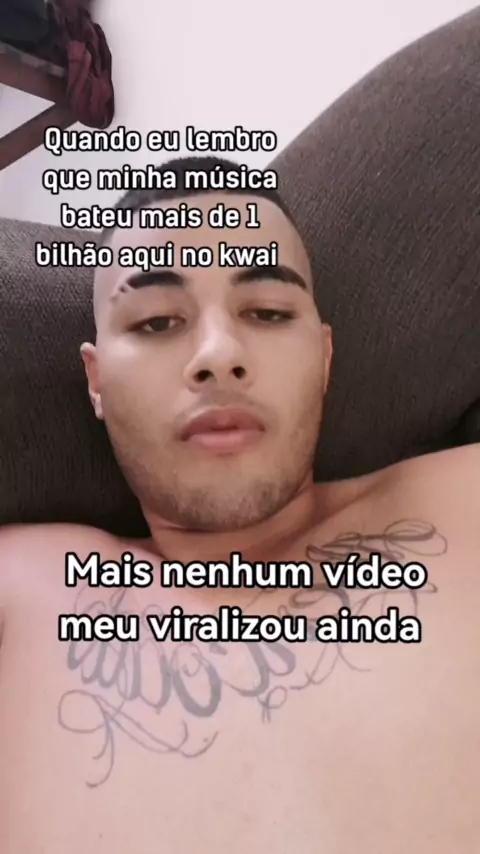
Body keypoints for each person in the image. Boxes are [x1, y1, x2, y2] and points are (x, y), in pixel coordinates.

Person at [0, 155, 478, 854]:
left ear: (325, 358)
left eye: (267, 311)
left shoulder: (464, 497)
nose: (219, 353)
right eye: (157, 322)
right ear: (95, 383)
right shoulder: (23, 585)